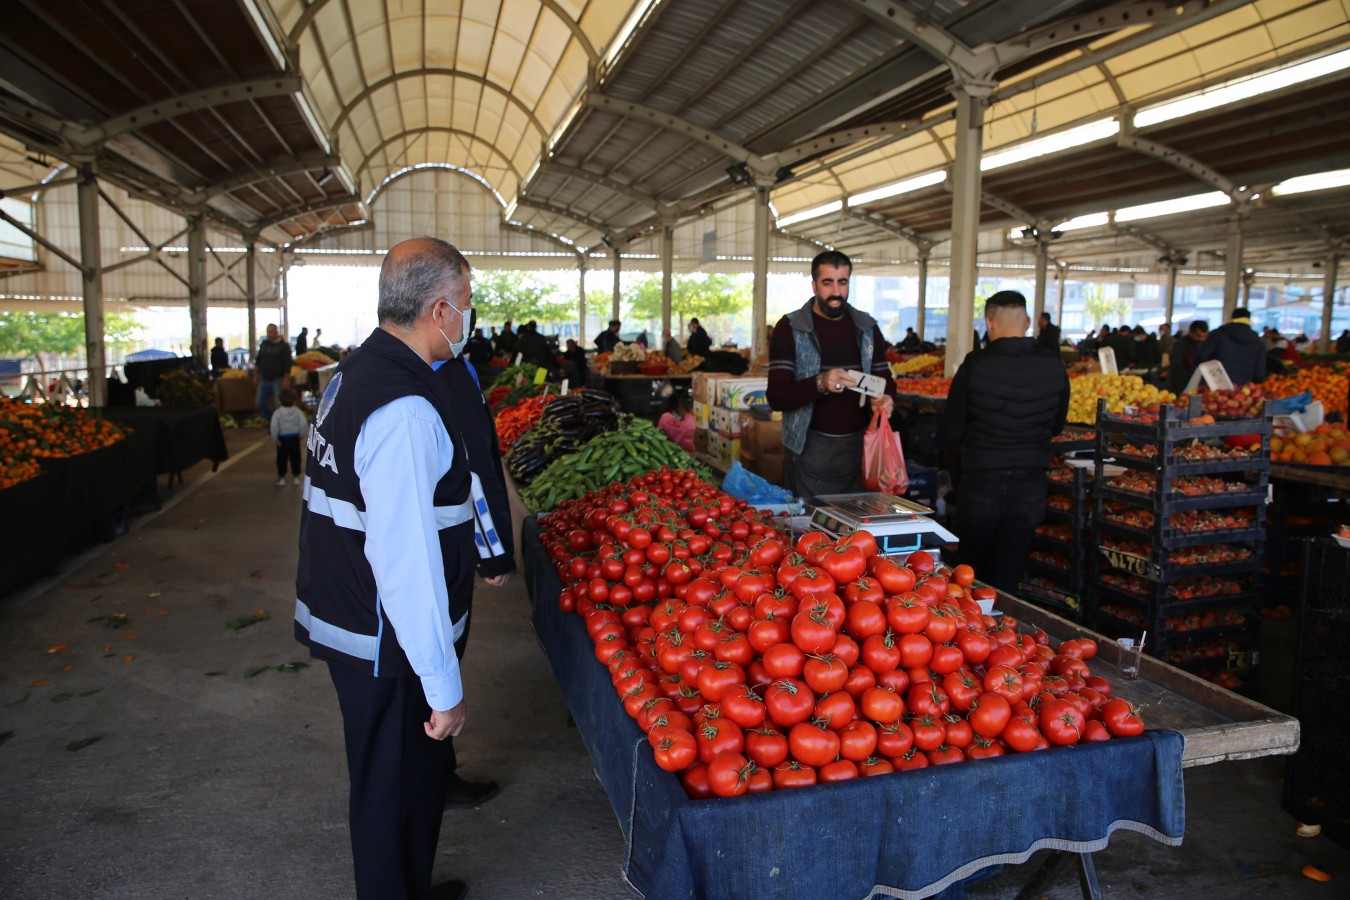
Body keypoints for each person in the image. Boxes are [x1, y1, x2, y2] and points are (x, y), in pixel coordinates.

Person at [295, 236, 495, 900]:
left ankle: (406, 887)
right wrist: (444, 684)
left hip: (358, 618)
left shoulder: (358, 371)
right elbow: (405, 560)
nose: (466, 319)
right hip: (386, 637)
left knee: (399, 780)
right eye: (464, 304)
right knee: (393, 787)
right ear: (439, 310)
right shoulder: (404, 407)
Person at [939, 291, 1070, 593]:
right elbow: (1057, 425)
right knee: (1009, 575)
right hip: (1030, 485)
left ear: (989, 322)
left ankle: (969, 633)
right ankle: (1003, 633)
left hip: (981, 483)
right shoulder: (1054, 367)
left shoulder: (975, 365)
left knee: (969, 576)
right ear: (1027, 322)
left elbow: (951, 432)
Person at [432, 352, 515, 812]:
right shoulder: (444, 369)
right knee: (436, 660)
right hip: (443, 545)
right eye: (464, 299)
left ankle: (435, 772)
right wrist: (494, 551)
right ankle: (432, 777)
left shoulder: (371, 369)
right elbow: (474, 463)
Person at [766, 250, 896, 502]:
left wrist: (887, 399)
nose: (836, 292)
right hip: (809, 450)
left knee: (857, 536)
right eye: (828, 283)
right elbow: (777, 397)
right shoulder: (791, 328)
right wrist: (820, 383)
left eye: (842, 282)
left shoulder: (867, 328)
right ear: (814, 285)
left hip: (860, 451)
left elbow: (885, 381)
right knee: (811, 534)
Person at [1197, 307, 1266, 386]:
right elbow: (1259, 375)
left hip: (1213, 386)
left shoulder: (1217, 334)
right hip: (1241, 390)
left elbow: (1202, 357)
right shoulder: (1259, 342)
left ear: (1232, 317)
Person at [254, 323, 292, 422]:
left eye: (271, 332)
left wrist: (286, 378)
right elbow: (258, 360)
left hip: (278, 379)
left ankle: (280, 424)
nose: (269, 334)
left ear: (276, 332)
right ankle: (272, 421)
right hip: (264, 379)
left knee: (278, 404)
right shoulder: (264, 344)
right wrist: (256, 375)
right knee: (259, 403)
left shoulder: (284, 346)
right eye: (268, 332)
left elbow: (288, 363)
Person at [270, 387, 306, 486]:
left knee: (281, 459)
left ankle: (281, 478)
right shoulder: (298, 412)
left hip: (282, 439)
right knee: (296, 458)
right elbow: (303, 423)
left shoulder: (277, 413)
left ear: (279, 400)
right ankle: (296, 477)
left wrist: (275, 438)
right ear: (295, 401)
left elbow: (274, 426)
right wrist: (301, 434)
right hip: (295, 438)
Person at [1166, 320, 1209, 394]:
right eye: (1198, 336)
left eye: (1204, 336)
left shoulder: (1207, 345)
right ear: (1190, 332)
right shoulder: (1179, 345)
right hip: (1181, 384)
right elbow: (1176, 366)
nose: (1201, 339)